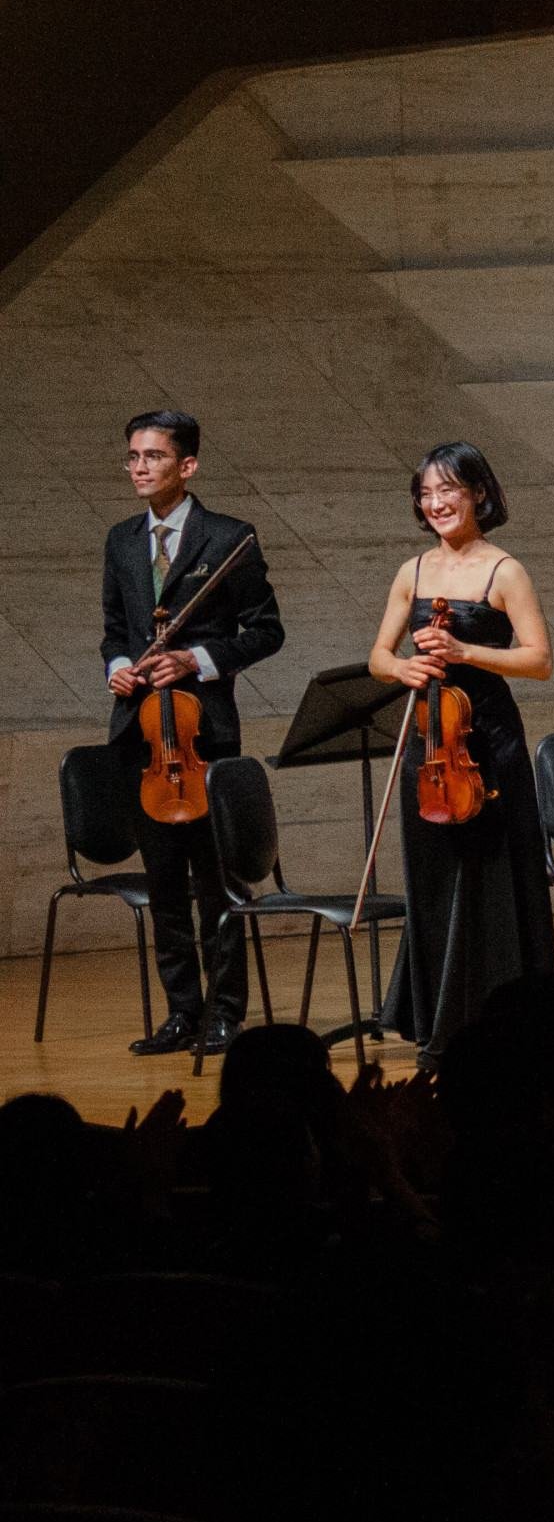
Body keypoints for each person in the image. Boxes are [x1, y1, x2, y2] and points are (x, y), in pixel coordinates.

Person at [364, 443, 554, 1058]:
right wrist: (404, 670)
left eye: (448, 489)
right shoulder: (412, 572)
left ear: (478, 492)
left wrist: (463, 652)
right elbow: (377, 658)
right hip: (433, 749)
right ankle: (437, 1018)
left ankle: (500, 1022)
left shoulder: (505, 571)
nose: (437, 502)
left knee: (491, 880)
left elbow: (539, 660)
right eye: (426, 493)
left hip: (489, 745)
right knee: (436, 879)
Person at [101, 409, 286, 1056]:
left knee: (219, 886)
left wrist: (197, 661)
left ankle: (225, 1014)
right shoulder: (122, 542)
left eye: (152, 456)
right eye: (132, 457)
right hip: (143, 742)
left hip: (206, 739)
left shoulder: (229, 538)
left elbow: (266, 631)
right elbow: (114, 633)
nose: (139, 468)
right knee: (165, 886)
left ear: (188, 465)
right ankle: (183, 1012)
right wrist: (121, 669)